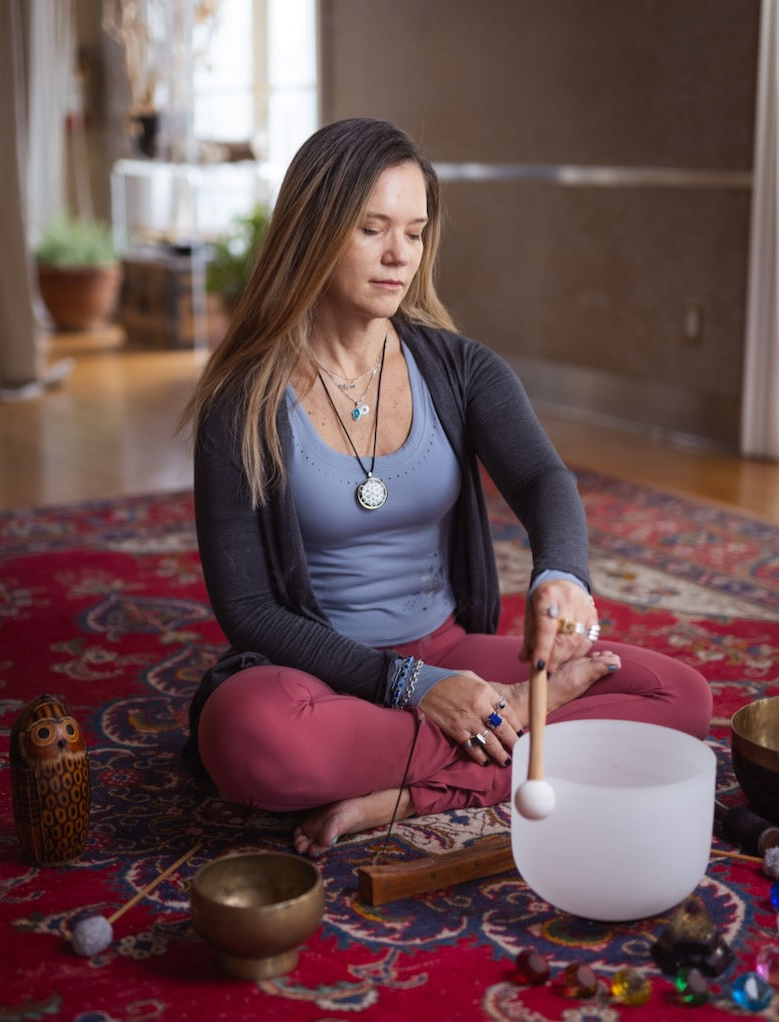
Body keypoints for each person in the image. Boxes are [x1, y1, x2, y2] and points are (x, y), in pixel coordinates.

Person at [182, 117, 712, 858]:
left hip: (451, 650)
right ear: (315, 230)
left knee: (680, 697)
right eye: (372, 229)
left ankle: (399, 796)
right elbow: (246, 611)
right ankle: (521, 725)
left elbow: (541, 477)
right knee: (246, 736)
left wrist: (562, 575)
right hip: (319, 675)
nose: (400, 255)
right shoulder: (242, 400)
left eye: (416, 231)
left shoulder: (460, 367)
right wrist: (411, 686)